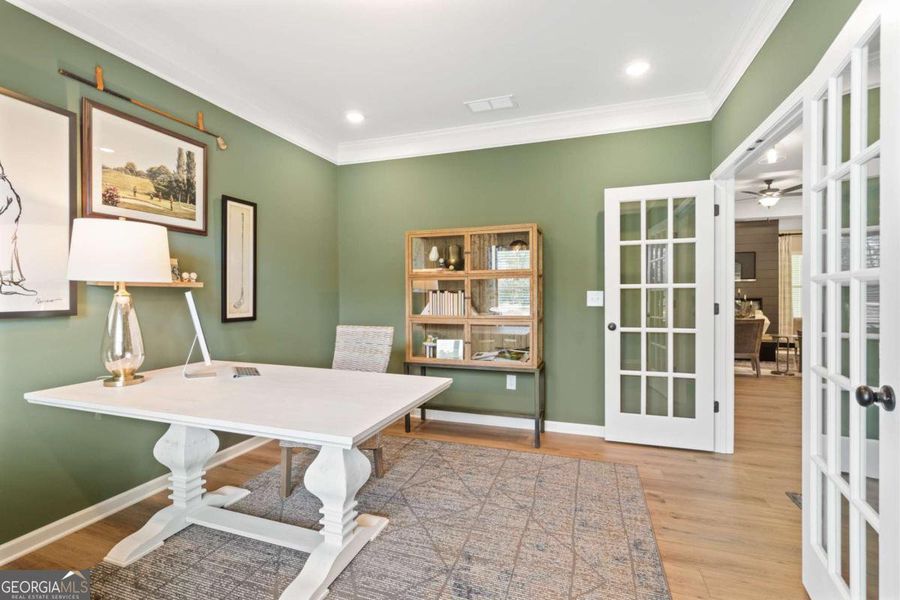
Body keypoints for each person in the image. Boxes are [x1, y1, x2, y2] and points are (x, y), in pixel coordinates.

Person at [0, 159, 36, 296]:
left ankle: (10, 281)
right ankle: (7, 283)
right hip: (5, 229)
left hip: (10, 228)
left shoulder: (3, 183)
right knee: (4, 254)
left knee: (9, 252)